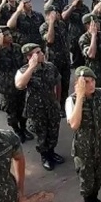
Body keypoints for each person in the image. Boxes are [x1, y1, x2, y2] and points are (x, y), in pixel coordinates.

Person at [66, 66, 101, 202]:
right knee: (87, 179)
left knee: (99, 175)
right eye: (86, 82)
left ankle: (95, 199)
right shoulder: (71, 100)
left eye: (92, 81)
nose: (91, 85)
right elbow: (74, 124)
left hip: (100, 144)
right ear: (78, 84)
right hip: (83, 149)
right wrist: (79, 96)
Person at [15, 43, 65, 171]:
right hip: (36, 109)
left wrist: (58, 101)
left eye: (40, 51)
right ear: (29, 57)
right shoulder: (23, 71)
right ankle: (45, 156)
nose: (42, 53)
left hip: (52, 105)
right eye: (37, 52)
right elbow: (20, 84)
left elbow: (58, 82)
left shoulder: (50, 67)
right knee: (41, 134)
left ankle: (52, 152)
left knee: (53, 131)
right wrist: (31, 67)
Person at [0, 26, 32, 142]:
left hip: (20, 81)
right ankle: (17, 131)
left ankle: (23, 128)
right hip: (7, 85)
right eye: (6, 35)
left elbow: (24, 63)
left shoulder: (17, 47)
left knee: (23, 108)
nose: (10, 36)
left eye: (9, 34)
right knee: (11, 111)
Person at [40, 6, 72, 116]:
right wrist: (51, 24)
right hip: (54, 61)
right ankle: (56, 106)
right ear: (48, 15)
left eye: (57, 13)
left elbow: (66, 39)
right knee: (55, 85)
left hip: (65, 58)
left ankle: (64, 105)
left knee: (65, 83)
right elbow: (49, 40)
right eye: (54, 14)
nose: (57, 15)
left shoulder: (62, 25)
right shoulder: (44, 27)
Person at [80, 14, 101, 108]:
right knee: (97, 106)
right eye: (95, 22)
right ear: (88, 25)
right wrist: (93, 36)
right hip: (95, 77)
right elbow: (91, 54)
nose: (98, 24)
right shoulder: (84, 39)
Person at [63, 0, 91, 68]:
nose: (80, 0)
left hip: (84, 34)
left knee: (85, 54)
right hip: (74, 35)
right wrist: (73, 6)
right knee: (76, 54)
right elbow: (64, 17)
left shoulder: (85, 8)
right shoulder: (69, 7)